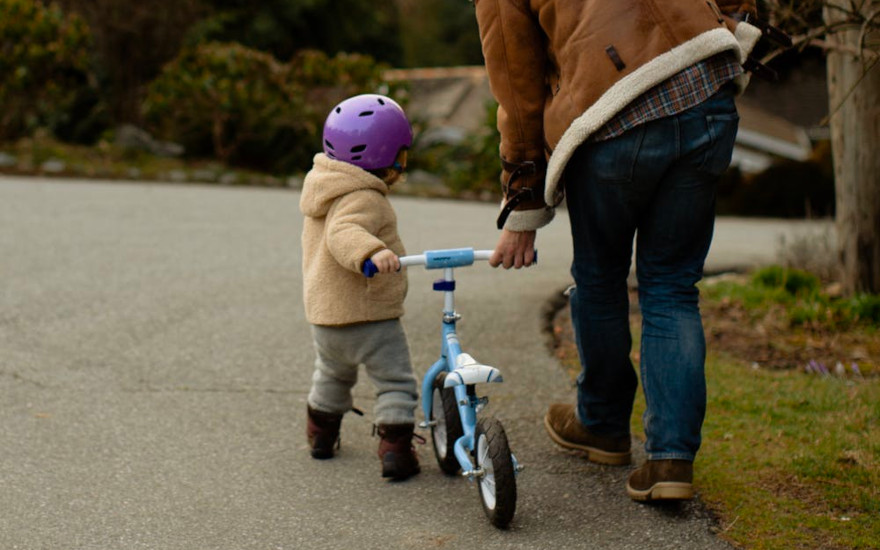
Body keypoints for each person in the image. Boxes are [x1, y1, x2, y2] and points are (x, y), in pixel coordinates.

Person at [474, 0, 763, 501]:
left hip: (610, 109)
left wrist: (523, 199)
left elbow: (517, 87)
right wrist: (733, 24)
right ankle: (671, 459)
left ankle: (602, 424)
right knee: (673, 285)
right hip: (704, 83)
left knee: (601, 278)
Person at [300, 93, 421, 480]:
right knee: (395, 382)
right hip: (369, 317)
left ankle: (320, 434)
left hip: (326, 318)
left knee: (332, 375)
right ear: (390, 156)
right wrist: (372, 251)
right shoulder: (365, 197)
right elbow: (343, 233)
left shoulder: (325, 187)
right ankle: (396, 451)